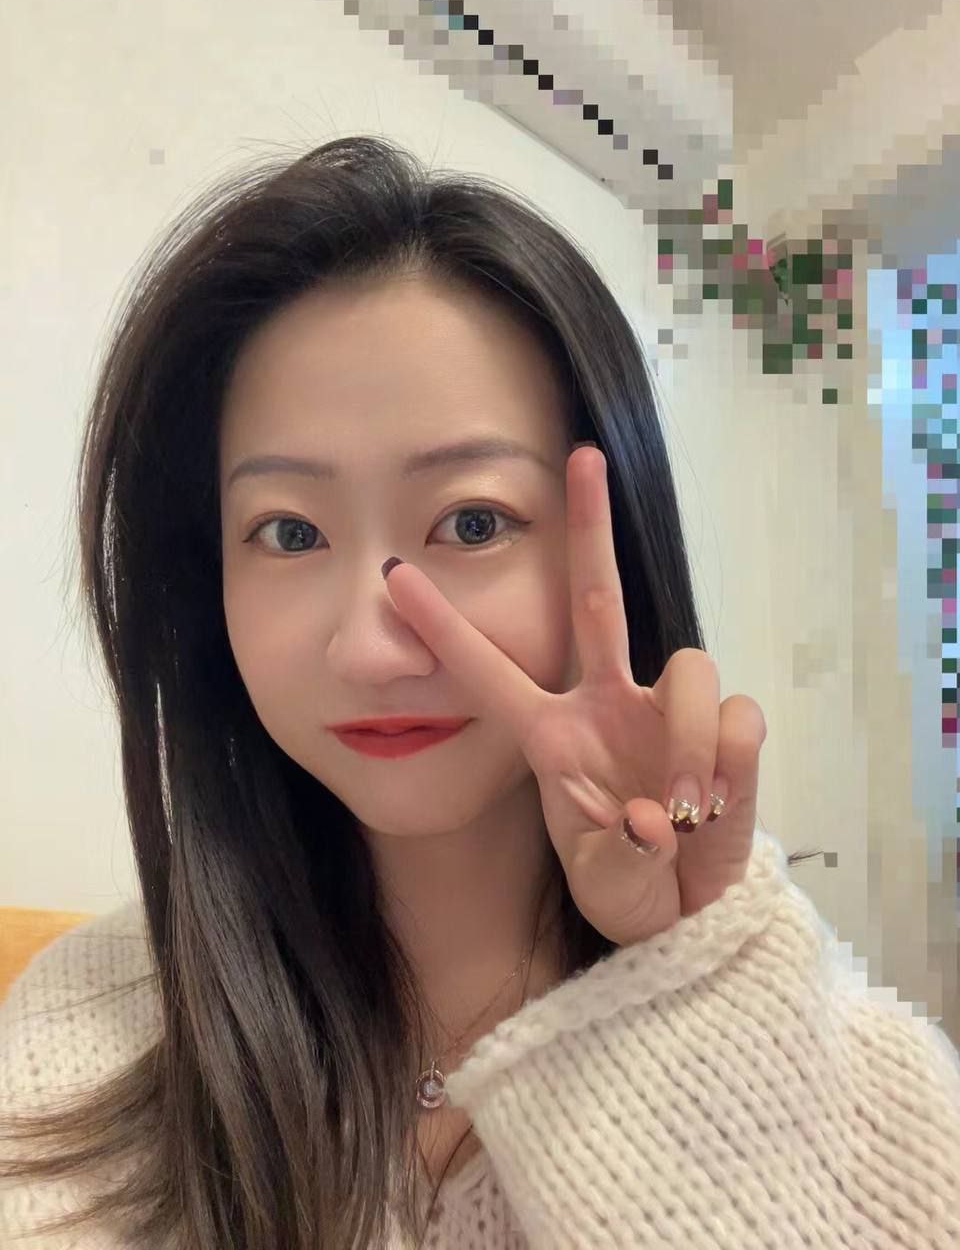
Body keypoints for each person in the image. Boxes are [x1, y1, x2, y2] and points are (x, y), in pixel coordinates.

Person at [1, 134, 958, 1250]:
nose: (373, 649)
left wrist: (681, 982)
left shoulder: (865, 1074)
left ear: (614, 545)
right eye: (289, 532)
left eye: (471, 522)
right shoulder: (80, 1033)